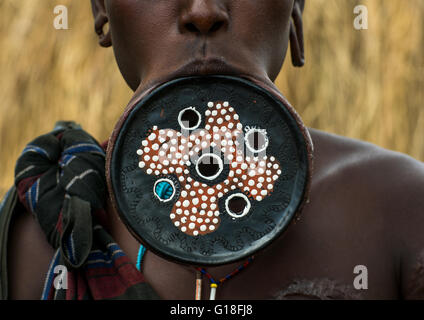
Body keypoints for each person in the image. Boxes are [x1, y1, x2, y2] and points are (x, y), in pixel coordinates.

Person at [3, 0, 424, 299]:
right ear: (102, 10)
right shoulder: (40, 231)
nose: (203, 12)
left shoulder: (402, 210)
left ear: (296, 8)